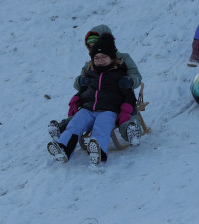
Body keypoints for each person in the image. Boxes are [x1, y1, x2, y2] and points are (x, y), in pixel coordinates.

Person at [47, 33, 138, 166]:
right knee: (74, 124)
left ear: (112, 57)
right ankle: (63, 148)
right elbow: (84, 90)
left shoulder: (119, 75)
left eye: (103, 57)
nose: (100, 60)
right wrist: (76, 100)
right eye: (96, 58)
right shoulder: (90, 73)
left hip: (109, 110)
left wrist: (125, 111)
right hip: (88, 109)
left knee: (102, 127)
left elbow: (129, 96)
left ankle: (99, 153)